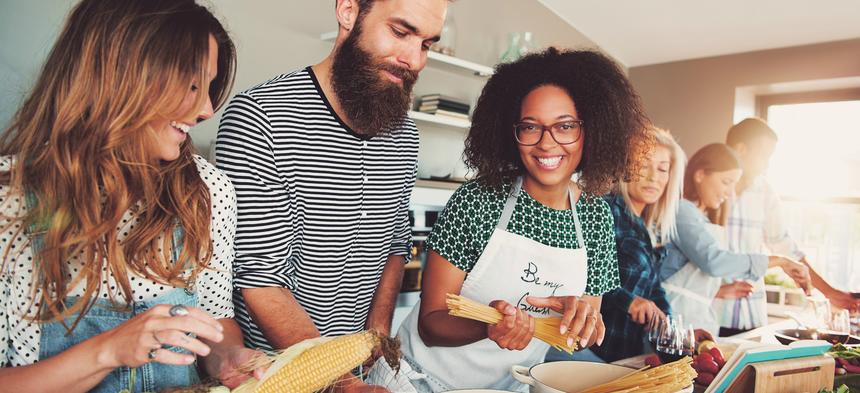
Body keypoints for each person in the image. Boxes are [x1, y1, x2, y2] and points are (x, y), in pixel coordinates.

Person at [0, 1, 265, 392]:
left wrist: (229, 358)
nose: (208, 108)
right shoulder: (12, 200)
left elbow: (217, 320)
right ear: (123, 73)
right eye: (193, 84)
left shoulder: (208, 192)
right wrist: (109, 350)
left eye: (210, 87)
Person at [368, 47, 652, 392]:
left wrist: (583, 325)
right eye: (530, 127)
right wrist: (489, 326)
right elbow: (431, 323)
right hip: (417, 381)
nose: (547, 144)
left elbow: (579, 337)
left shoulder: (595, 217)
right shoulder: (477, 201)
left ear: (591, 130)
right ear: (512, 133)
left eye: (565, 126)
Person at [216, 0, 448, 391]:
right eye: (400, 31)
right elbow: (260, 278)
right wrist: (339, 382)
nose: (414, 59)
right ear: (347, 11)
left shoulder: (404, 134)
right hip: (274, 377)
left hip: (356, 373)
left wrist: (378, 333)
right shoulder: (261, 117)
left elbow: (395, 243)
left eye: (426, 44)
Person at [716, 117, 860, 335]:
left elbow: (786, 248)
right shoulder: (706, 190)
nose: (767, 164)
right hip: (711, 313)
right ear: (741, 149)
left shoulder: (764, 191)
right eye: (764, 155)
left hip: (751, 315)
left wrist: (829, 292)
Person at [660, 144, 811, 335]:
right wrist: (779, 261)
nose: (730, 193)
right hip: (674, 320)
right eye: (726, 182)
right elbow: (713, 261)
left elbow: (683, 278)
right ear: (699, 175)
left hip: (694, 322)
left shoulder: (701, 218)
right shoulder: (682, 211)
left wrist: (717, 291)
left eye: (734, 185)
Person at [569, 127, 685, 364]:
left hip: (624, 356)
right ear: (624, 168)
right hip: (588, 351)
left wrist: (674, 333)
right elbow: (580, 276)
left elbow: (654, 291)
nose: (654, 177)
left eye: (662, 169)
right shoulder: (604, 210)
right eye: (644, 165)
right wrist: (629, 301)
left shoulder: (650, 228)